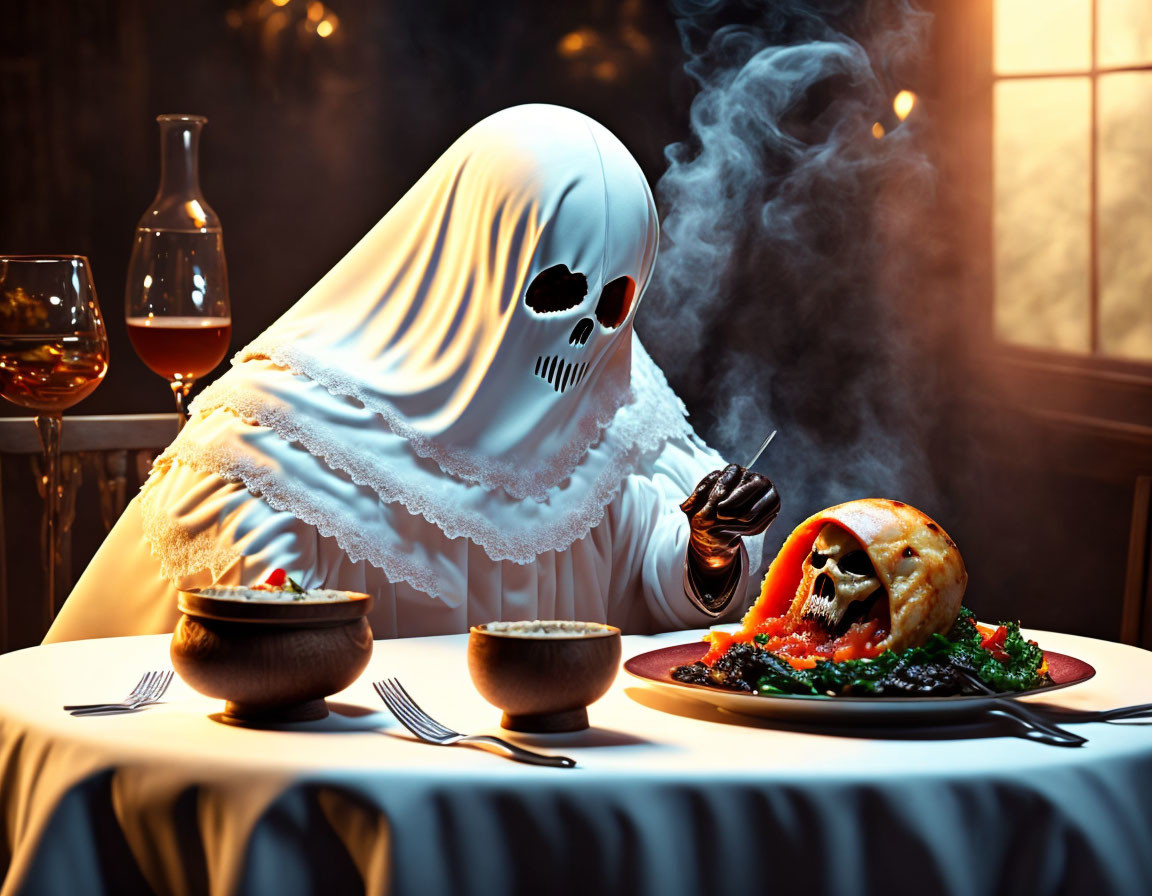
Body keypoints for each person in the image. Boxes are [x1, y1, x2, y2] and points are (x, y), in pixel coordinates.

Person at [45, 104, 779, 643]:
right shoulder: (281, 438)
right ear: (471, 271)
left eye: (617, 301)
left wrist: (707, 551)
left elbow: (658, 570)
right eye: (556, 290)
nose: (587, 332)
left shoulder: (613, 401)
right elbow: (243, 625)